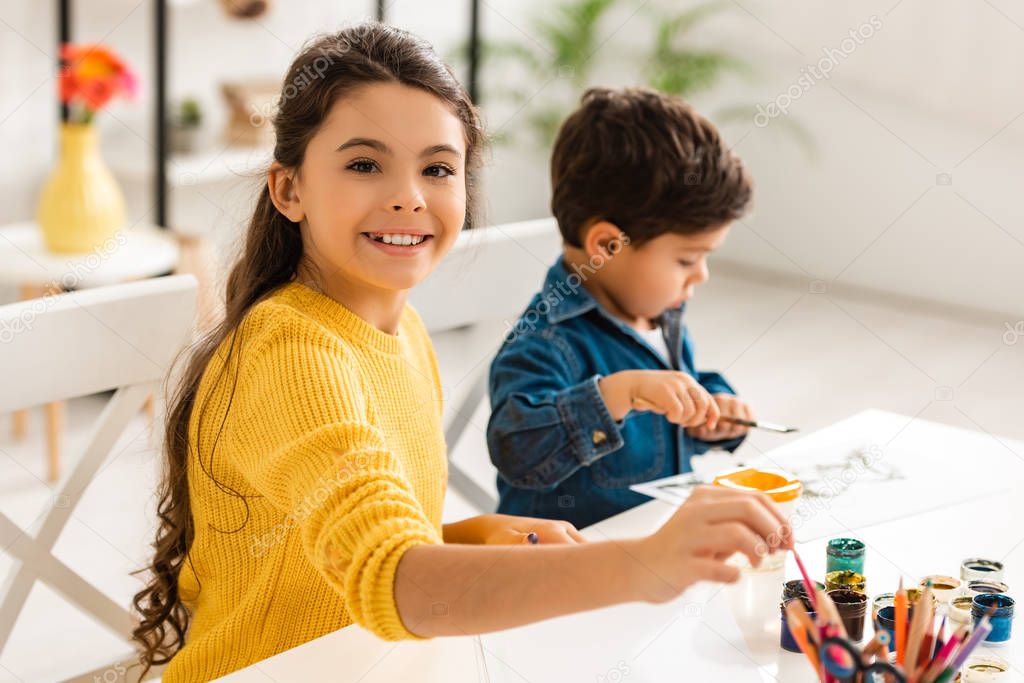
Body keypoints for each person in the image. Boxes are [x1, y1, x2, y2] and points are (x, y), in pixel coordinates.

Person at [130, 24, 792, 682]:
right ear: (289, 190)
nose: (409, 196)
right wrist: (641, 564)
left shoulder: (403, 331)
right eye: (364, 164)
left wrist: (469, 534)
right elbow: (394, 580)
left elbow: (352, 546)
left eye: (438, 168)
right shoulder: (292, 350)